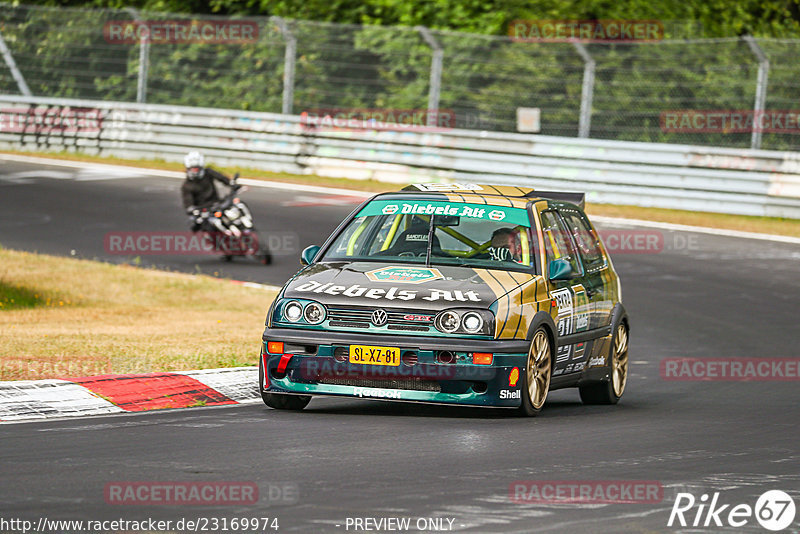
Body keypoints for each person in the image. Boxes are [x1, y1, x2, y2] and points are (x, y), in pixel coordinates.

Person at [180, 151, 235, 231]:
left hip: (217, 203)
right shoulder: (187, 186)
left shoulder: (208, 172)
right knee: (205, 228)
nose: (195, 171)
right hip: (205, 211)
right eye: (193, 169)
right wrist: (193, 210)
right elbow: (188, 202)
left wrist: (231, 183)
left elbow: (221, 178)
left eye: (197, 169)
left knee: (237, 207)